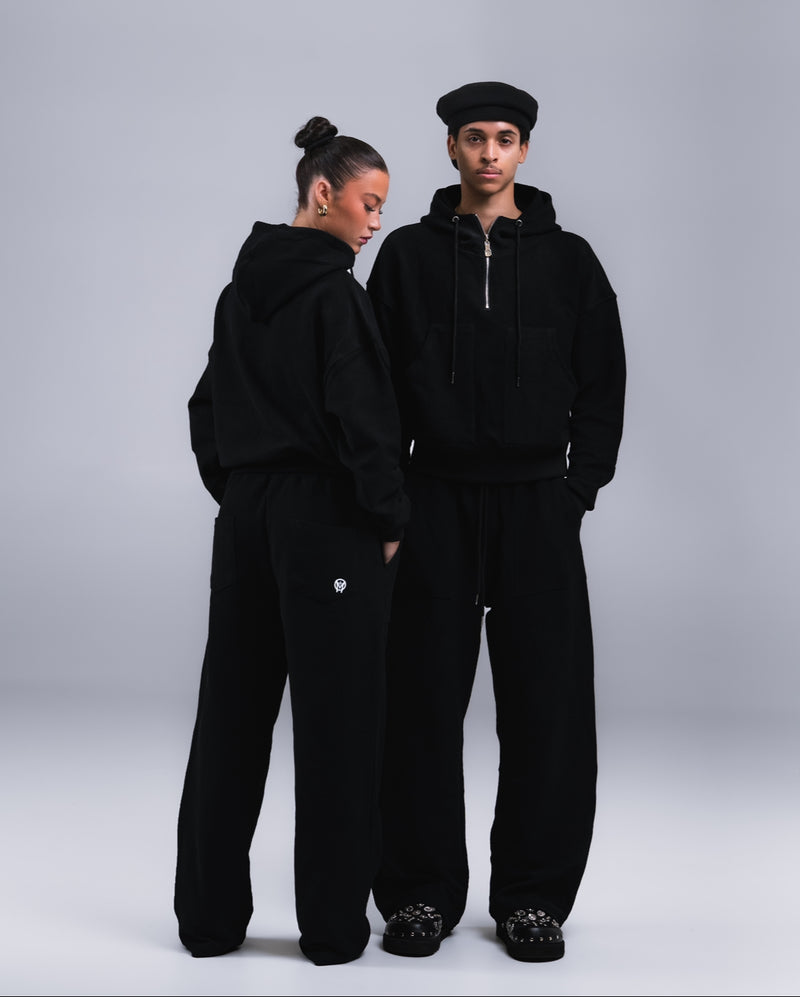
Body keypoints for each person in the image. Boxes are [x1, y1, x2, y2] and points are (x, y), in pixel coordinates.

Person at [366, 82, 626, 962]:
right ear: (450, 148)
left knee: (549, 706)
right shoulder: (405, 256)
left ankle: (533, 897)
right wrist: (390, 500)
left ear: (524, 150)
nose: (488, 152)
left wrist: (576, 490)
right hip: (432, 499)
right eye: (473, 137)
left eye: (504, 138)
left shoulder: (570, 260)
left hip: (536, 504)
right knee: (417, 703)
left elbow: (603, 381)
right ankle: (418, 893)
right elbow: (373, 388)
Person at [173, 116, 409, 967]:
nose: (375, 221)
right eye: (368, 203)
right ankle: (334, 932)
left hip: (246, 518)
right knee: (339, 724)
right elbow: (363, 417)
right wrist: (387, 518)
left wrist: (243, 492)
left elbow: (206, 409)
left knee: (230, 718)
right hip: (327, 521)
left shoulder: (238, 293)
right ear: (322, 191)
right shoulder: (336, 296)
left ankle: (207, 923)